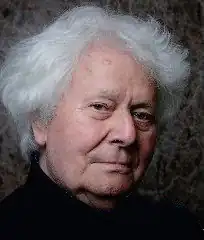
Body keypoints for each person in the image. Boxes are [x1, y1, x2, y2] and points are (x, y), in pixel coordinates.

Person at [0, 4, 202, 239]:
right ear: (40, 122)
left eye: (142, 115)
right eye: (100, 107)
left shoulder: (179, 230)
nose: (128, 134)